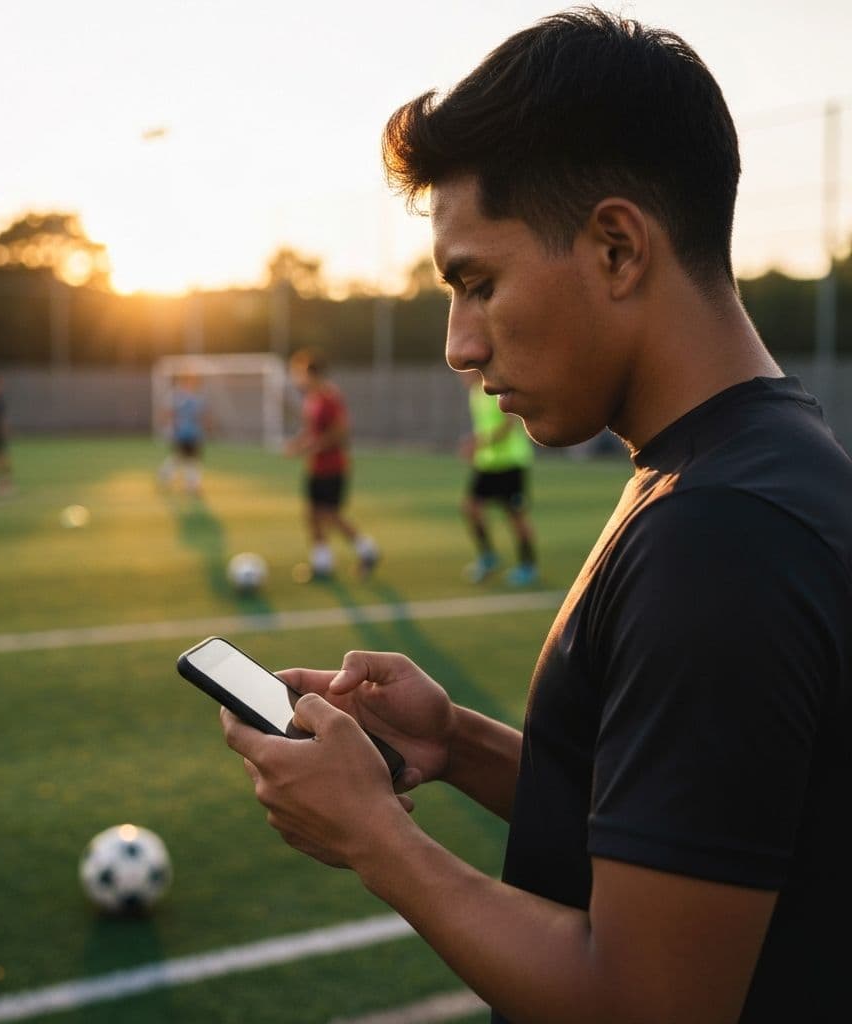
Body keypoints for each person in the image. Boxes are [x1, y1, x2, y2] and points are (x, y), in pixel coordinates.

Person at [218, 9, 852, 1023]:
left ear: (614, 248)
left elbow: (649, 1002)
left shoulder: (722, 531)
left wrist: (375, 835)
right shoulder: (743, 465)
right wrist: (457, 744)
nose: (459, 344)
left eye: (478, 283)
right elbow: (698, 828)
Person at [285, 347, 378, 581]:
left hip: (333, 466)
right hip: (315, 466)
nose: (297, 377)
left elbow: (341, 431)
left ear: (311, 372)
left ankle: (367, 550)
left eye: (299, 372)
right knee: (312, 515)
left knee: (330, 515)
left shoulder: (329, 397)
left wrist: (316, 446)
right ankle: (322, 564)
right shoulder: (311, 399)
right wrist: (298, 444)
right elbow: (310, 431)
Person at [459, 371, 538, 585]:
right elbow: (485, 428)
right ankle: (488, 557)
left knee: (515, 516)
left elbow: (509, 423)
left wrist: (479, 443)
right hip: (488, 464)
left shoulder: (496, 387)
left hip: (511, 462)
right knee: (471, 508)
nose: (460, 374)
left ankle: (528, 565)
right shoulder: (475, 393)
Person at [158, 370, 209, 496]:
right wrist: (171, 427)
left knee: (189, 458)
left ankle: (188, 484)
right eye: (190, 379)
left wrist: (204, 427)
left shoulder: (197, 397)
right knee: (184, 458)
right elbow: (167, 412)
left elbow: (201, 415)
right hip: (181, 432)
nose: (193, 382)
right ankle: (189, 485)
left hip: (194, 432)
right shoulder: (176, 395)